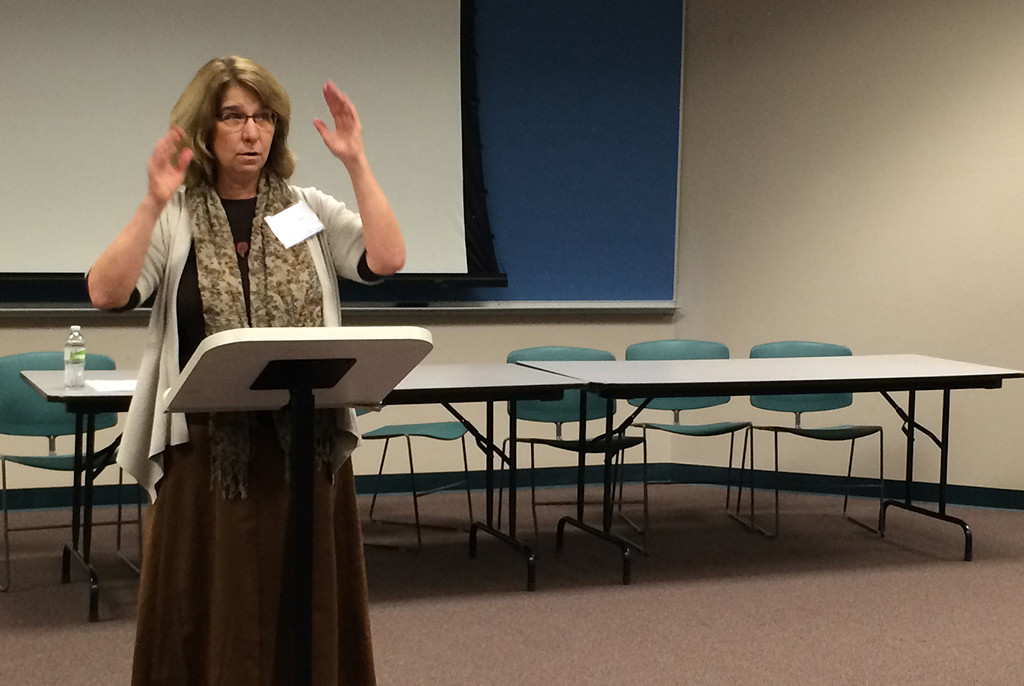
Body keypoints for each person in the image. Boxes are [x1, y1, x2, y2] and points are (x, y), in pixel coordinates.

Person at [87, 56, 405, 686]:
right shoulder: (177, 215)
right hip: (207, 450)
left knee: (303, 602)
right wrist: (152, 201)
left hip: (302, 447)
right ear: (206, 130)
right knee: (211, 607)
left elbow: (386, 257)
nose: (252, 131)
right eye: (234, 116)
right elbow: (107, 291)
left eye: (263, 117)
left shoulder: (304, 209)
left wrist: (356, 162)